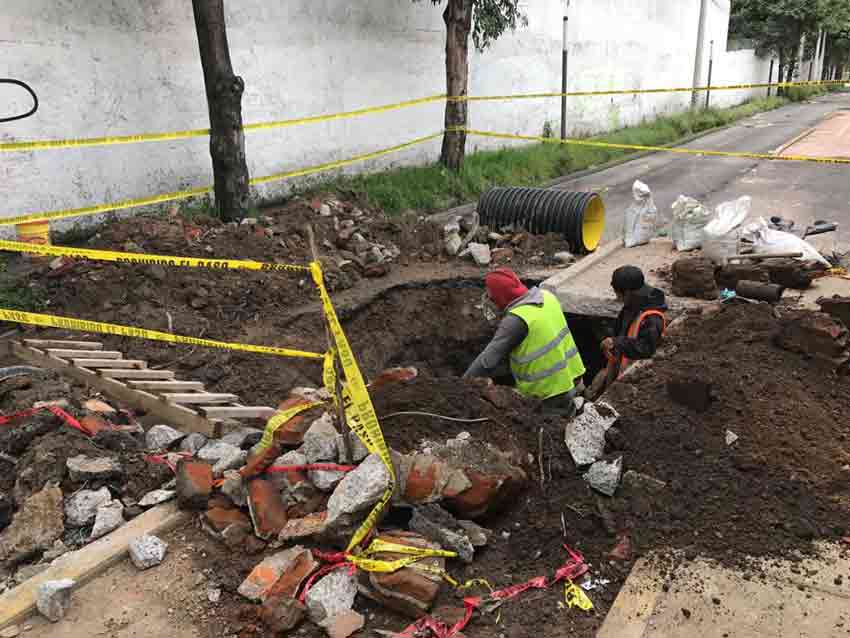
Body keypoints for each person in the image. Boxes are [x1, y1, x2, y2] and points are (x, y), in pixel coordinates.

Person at [464, 268, 586, 416]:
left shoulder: (517, 320)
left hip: (549, 392)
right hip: (573, 376)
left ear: (501, 296)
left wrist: (462, 385)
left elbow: (487, 361)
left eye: (492, 297)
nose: (489, 301)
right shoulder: (547, 296)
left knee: (551, 430)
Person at [601, 265, 667, 378]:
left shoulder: (651, 317)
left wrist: (616, 342)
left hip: (636, 377)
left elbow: (646, 348)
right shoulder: (633, 305)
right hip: (621, 367)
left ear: (626, 293)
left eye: (617, 294)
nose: (617, 298)